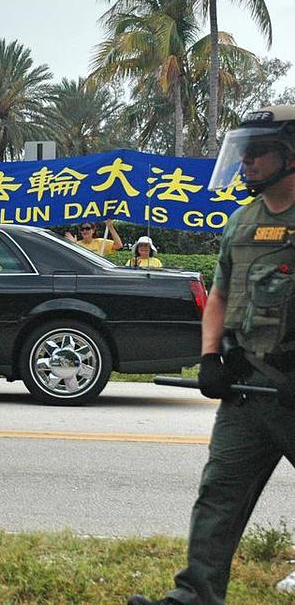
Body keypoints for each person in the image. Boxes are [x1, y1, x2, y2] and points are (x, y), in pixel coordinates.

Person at [129, 105, 295, 605]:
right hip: (248, 391)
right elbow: (219, 295)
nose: (246, 162)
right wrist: (210, 358)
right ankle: (195, 596)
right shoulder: (243, 221)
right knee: (219, 494)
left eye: (258, 151)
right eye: (243, 151)